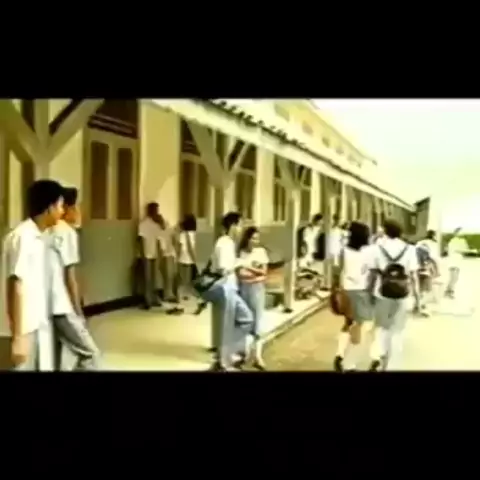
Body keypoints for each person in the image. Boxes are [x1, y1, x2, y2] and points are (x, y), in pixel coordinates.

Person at [0, 180, 64, 371]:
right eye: (60, 206)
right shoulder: (23, 237)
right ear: (49, 208)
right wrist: (18, 336)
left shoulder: (40, 237)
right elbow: (16, 286)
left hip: (35, 324)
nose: (62, 211)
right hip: (22, 328)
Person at [48, 187, 100, 371]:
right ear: (67, 208)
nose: (79, 212)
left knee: (55, 354)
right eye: (76, 207)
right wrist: (78, 311)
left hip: (43, 303)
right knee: (90, 354)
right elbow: (69, 277)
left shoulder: (44, 230)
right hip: (61, 305)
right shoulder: (67, 232)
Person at [366, 219, 419, 372]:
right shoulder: (410, 249)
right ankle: (392, 365)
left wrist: (368, 293)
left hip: (381, 292)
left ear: (385, 230)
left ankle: (377, 356)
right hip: (402, 293)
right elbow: (413, 275)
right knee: (397, 330)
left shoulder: (376, 248)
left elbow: (372, 274)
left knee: (381, 327)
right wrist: (418, 298)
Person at [208, 212, 253, 371]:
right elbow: (223, 268)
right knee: (228, 325)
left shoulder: (229, 243)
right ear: (233, 226)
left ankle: (226, 352)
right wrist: (241, 263)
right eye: (240, 225)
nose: (241, 229)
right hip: (225, 288)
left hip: (230, 287)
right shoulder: (223, 243)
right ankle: (223, 361)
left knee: (246, 318)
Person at [332, 221, 372, 372]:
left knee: (348, 323)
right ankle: (350, 363)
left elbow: (338, 271)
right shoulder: (368, 252)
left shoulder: (344, 251)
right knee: (359, 327)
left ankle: (339, 354)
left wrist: (336, 288)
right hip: (361, 291)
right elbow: (370, 272)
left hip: (346, 290)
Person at [237, 226, 269, 370]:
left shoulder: (261, 252)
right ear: (247, 239)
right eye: (253, 238)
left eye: (257, 238)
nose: (255, 241)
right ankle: (244, 355)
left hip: (257, 290)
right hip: (244, 289)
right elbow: (240, 274)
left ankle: (258, 356)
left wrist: (248, 268)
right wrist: (256, 273)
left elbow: (264, 273)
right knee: (244, 322)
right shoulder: (241, 253)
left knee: (257, 324)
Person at [176, 214, 207, 314]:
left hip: (184, 260)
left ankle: (180, 306)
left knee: (182, 284)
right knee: (193, 284)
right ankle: (200, 301)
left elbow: (180, 248)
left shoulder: (183, 235)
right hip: (194, 260)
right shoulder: (196, 234)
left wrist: (176, 259)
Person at [137, 202, 163, 310]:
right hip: (149, 254)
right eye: (155, 210)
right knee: (149, 278)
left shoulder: (155, 225)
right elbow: (141, 240)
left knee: (152, 278)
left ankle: (152, 299)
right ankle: (149, 300)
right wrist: (143, 254)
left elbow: (158, 241)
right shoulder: (144, 224)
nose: (157, 212)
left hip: (152, 254)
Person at [415, 230, 441, 316]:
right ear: (433, 236)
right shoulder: (432, 244)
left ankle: (416, 305)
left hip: (417, 267)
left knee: (420, 287)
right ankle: (422, 306)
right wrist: (437, 270)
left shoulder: (419, 242)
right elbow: (434, 258)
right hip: (427, 268)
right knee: (427, 289)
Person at [445, 227, 468, 299]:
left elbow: (465, 249)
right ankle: (450, 292)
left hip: (458, 261)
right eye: (460, 232)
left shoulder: (462, 240)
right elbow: (458, 249)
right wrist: (465, 249)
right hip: (453, 261)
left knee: (455, 278)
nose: (462, 233)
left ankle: (447, 291)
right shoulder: (453, 241)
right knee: (454, 277)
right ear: (455, 233)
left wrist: (464, 249)